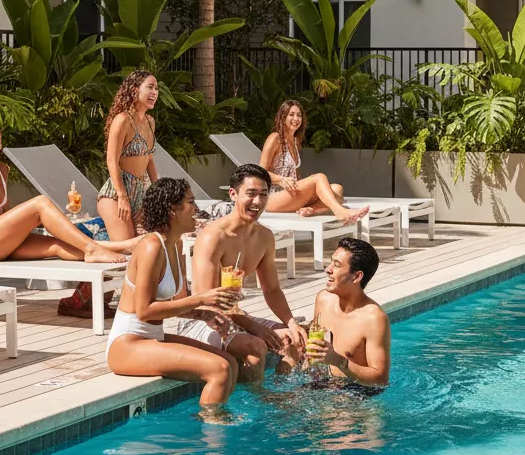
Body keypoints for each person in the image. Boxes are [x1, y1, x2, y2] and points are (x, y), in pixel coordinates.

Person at [0, 118, 138, 274]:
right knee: (40, 203)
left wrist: (31, 227)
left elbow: (4, 214)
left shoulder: (2, 169)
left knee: (57, 245)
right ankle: (95, 248)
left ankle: (124, 247)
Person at [106, 177, 243, 410]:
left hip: (151, 337)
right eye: (191, 202)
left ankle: (214, 420)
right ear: (172, 210)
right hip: (127, 344)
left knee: (230, 362)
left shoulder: (176, 244)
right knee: (218, 370)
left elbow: (178, 305)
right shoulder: (151, 246)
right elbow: (145, 311)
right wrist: (201, 298)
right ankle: (212, 437)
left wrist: (203, 315)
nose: (197, 209)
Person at [190, 164, 309, 379]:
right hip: (202, 320)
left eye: (263, 195)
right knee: (255, 349)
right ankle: (256, 405)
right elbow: (205, 301)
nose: (258, 202)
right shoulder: (213, 237)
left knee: (297, 338)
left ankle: (283, 395)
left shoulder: (264, 237)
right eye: (251, 194)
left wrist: (291, 322)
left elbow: (272, 290)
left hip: (236, 316)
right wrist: (254, 326)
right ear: (233, 194)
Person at [259, 99, 369, 225]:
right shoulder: (275, 138)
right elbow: (259, 173)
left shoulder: (295, 141)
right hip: (273, 197)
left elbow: (296, 175)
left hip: (291, 194)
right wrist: (281, 180)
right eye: (291, 114)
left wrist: (306, 187)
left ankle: (313, 211)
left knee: (337, 189)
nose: (296, 118)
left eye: (299, 115)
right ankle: (340, 212)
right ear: (282, 116)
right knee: (319, 178)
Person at [305, 237, 390, 389]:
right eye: (331, 262)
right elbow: (313, 358)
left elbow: (381, 379)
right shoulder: (324, 299)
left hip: (355, 394)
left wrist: (338, 361)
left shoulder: (373, 318)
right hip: (320, 386)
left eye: (337, 265)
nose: (328, 269)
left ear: (356, 276)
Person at [98, 70, 159, 240]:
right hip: (116, 194)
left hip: (140, 193)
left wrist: (159, 191)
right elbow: (111, 160)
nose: (154, 92)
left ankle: (103, 234)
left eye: (156, 88)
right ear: (134, 90)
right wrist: (122, 197)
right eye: (150, 87)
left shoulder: (150, 122)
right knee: (128, 246)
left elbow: (149, 159)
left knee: (151, 239)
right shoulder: (122, 120)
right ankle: (94, 243)